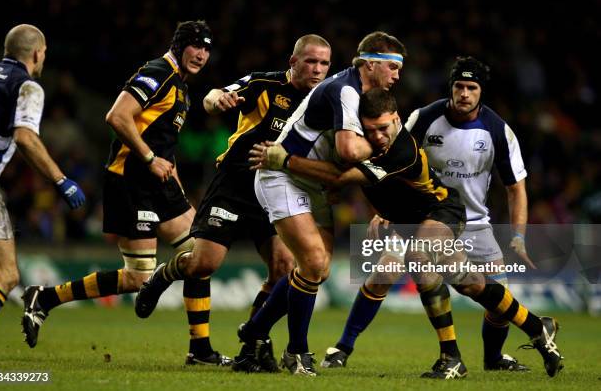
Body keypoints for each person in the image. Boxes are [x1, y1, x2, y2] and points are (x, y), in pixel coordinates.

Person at [251, 88, 564, 379]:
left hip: (439, 211)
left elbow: (341, 177)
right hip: (407, 220)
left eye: (384, 127)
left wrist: (288, 160)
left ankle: (450, 356)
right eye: (370, 129)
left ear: (396, 119)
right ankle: (538, 326)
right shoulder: (366, 142)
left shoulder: (400, 150)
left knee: (418, 256)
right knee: (469, 283)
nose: (377, 135)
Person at [20, 22, 226, 365]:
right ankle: (44, 297)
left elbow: (158, 138)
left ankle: (200, 350)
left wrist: (168, 171)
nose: (201, 54)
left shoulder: (180, 87)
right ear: (178, 45)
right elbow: (116, 116)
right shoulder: (158, 72)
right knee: (137, 277)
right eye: (194, 46)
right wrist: (149, 158)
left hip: (159, 182)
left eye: (206, 48)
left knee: (201, 256)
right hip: (130, 180)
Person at [321, 56, 536, 374]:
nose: (464, 93)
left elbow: (516, 188)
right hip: (417, 216)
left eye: (471, 87)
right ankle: (343, 346)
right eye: (459, 86)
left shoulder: (498, 131)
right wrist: (384, 212)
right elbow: (390, 155)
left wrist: (518, 235)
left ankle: (493, 358)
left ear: (481, 92)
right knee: (383, 273)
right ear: (451, 87)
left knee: (498, 302)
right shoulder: (424, 118)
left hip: (473, 222)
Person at [133, 34, 332, 370]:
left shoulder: (325, 101)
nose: (317, 69)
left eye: (324, 63)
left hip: (278, 187)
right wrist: (217, 100)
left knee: (284, 267)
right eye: (310, 61)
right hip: (236, 184)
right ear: (293, 62)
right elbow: (214, 97)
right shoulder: (263, 83)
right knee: (203, 264)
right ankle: (164, 275)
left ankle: (253, 345)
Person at [233, 31, 404, 376]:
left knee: (318, 269)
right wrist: (387, 143)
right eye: (393, 67)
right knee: (311, 262)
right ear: (370, 64)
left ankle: (254, 331)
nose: (397, 76)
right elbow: (347, 152)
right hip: (280, 174)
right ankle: (296, 352)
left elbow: (347, 164)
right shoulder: (346, 90)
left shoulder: (361, 93)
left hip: (312, 181)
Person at [0, 24, 85, 326]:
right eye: (44, 54)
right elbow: (25, 138)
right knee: (5, 275)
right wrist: (61, 180)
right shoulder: (27, 86)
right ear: (36, 53)